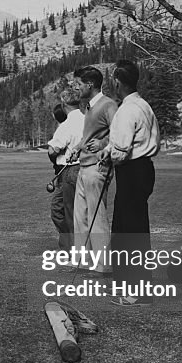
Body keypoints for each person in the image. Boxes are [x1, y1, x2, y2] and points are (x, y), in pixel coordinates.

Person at [99, 59, 161, 306]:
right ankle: (131, 288)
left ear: (117, 82)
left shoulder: (126, 109)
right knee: (132, 229)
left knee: (129, 231)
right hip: (143, 169)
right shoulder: (143, 105)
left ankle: (135, 292)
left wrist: (108, 156)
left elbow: (121, 151)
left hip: (131, 171)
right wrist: (110, 150)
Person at [71, 66, 117, 271]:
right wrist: (78, 147)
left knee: (96, 218)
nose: (75, 88)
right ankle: (83, 262)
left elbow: (120, 133)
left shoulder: (108, 105)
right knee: (80, 217)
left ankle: (103, 267)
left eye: (78, 84)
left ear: (90, 84)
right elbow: (90, 136)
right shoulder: (89, 106)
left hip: (97, 167)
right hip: (84, 166)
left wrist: (103, 144)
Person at [46, 94, 84, 250]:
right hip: (87, 168)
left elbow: (53, 150)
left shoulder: (67, 124)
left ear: (63, 105)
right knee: (80, 212)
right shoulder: (87, 118)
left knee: (66, 212)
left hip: (70, 170)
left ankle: (73, 250)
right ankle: (74, 248)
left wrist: (53, 155)